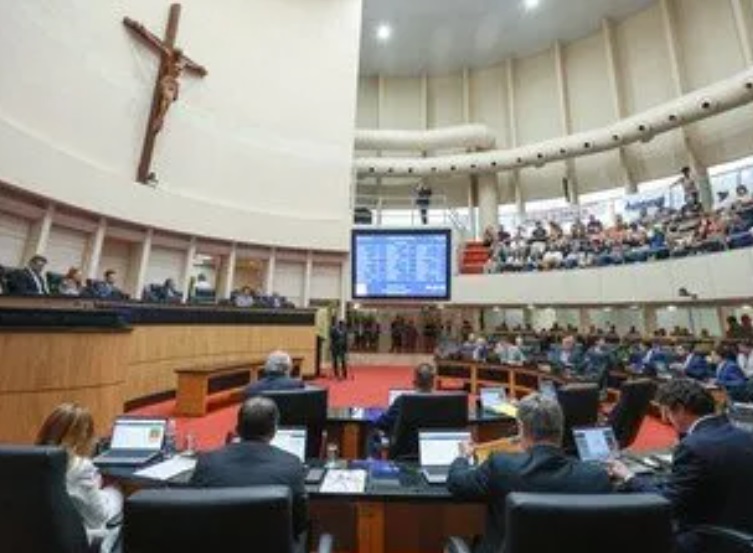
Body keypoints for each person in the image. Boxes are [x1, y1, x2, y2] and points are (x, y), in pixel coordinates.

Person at [447, 393, 612, 553]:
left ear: (521, 427)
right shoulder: (596, 478)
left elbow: (457, 483)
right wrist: (625, 477)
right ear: (561, 427)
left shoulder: (502, 465)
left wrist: (463, 457)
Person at [608, 379, 753, 553]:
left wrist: (629, 476)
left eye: (667, 412)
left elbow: (668, 503)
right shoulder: (745, 435)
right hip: (741, 524)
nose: (666, 419)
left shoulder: (693, 446)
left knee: (629, 532)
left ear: (680, 409)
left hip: (708, 538)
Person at [191, 397, 308, 545]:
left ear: (238, 429)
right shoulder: (291, 464)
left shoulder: (207, 461)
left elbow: (193, 512)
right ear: (274, 431)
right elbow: (299, 524)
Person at [36, 403, 123, 553]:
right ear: (82, 436)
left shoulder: (29, 461)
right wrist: (116, 490)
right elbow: (99, 517)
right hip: (80, 544)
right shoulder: (80, 468)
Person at [373, 363, 436, 444]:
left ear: (414, 382)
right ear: (433, 383)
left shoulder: (402, 401)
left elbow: (381, 423)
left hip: (406, 450)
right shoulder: (442, 403)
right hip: (434, 447)